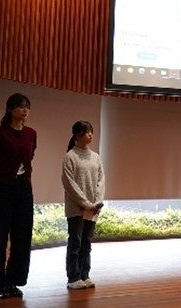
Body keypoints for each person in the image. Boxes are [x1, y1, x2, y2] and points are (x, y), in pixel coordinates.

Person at [0, 93, 37, 299]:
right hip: (2, 187)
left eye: (27, 107)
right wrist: (6, 173)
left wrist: (21, 175)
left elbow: (31, 155)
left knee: (22, 235)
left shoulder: (31, 133)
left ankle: (14, 280)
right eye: (21, 106)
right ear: (10, 109)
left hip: (24, 187)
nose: (25, 110)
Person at [62, 120, 105, 290]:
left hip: (92, 208)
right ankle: (73, 278)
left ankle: (85, 275)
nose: (90, 134)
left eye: (91, 131)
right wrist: (86, 203)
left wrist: (96, 203)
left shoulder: (96, 157)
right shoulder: (70, 156)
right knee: (75, 242)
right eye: (87, 132)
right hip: (77, 208)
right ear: (77, 135)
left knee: (87, 242)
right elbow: (69, 184)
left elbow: (101, 180)